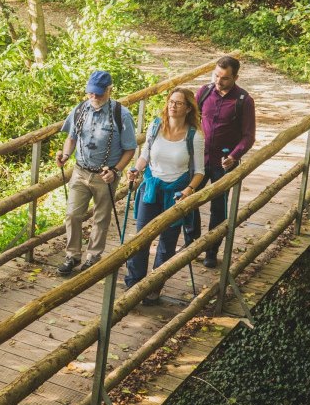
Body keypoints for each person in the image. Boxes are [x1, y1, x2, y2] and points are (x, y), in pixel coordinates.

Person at [124, 88, 205, 305]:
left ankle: (154, 286)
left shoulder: (194, 137)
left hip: (176, 193)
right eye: (171, 101)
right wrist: (137, 170)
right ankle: (134, 283)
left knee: (167, 243)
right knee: (142, 237)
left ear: (188, 108)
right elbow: (145, 155)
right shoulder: (155, 126)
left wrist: (188, 191)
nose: (173, 106)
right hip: (151, 188)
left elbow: (199, 172)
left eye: (179, 103)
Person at [54, 70, 137, 276]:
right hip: (81, 171)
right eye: (91, 93)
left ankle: (93, 256)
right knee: (72, 214)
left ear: (109, 90)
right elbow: (71, 138)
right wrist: (65, 154)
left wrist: (116, 170)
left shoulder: (121, 114)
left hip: (105, 175)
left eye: (99, 93)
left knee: (101, 217)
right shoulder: (81, 109)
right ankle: (72, 255)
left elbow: (130, 148)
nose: (94, 97)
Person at [192, 55, 256, 267]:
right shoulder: (204, 92)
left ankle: (211, 251)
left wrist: (234, 156)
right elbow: (192, 121)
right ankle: (192, 244)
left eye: (225, 78)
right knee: (189, 199)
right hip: (200, 160)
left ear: (235, 77)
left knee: (218, 209)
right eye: (216, 75)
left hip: (224, 163)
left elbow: (248, 136)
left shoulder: (243, 101)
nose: (219, 81)